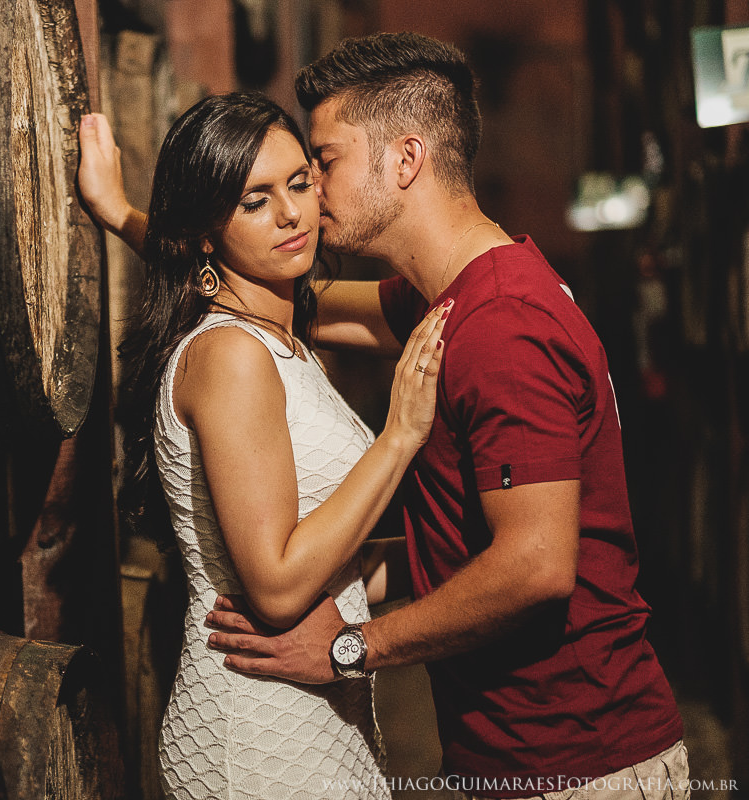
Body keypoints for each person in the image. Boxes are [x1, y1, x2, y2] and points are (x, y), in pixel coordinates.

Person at [82, 31, 689, 800]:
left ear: (405, 160)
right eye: (280, 187)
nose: (310, 197)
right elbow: (250, 275)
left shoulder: (500, 324)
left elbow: (535, 566)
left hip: (575, 758)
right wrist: (127, 216)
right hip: (506, 753)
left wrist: (349, 648)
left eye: (321, 166)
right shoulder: (450, 301)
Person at [80, 92, 450, 799]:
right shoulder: (231, 356)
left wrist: (450, 561)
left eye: (300, 183)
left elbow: (330, 563)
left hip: (311, 719)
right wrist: (399, 436)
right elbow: (279, 587)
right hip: (256, 732)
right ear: (205, 233)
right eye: (255, 199)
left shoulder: (284, 339)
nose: (290, 214)